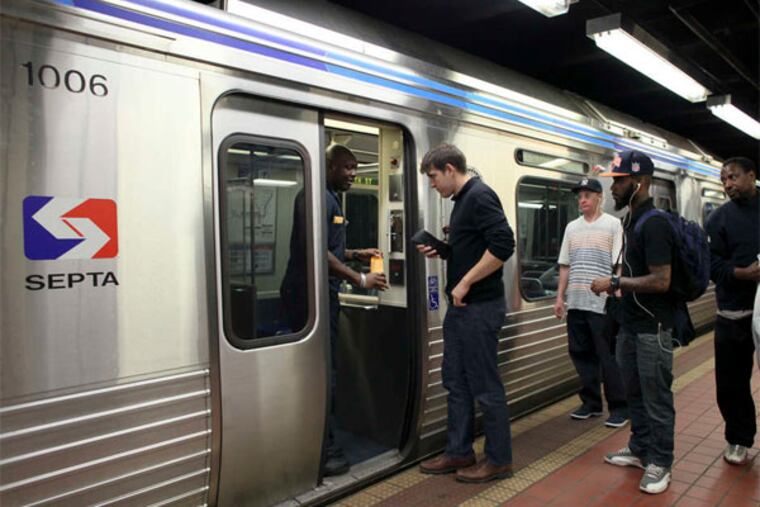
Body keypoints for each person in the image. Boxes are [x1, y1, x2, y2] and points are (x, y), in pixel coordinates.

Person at [280, 144, 388, 476]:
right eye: (347, 168)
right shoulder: (315, 197)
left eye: (356, 167)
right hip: (308, 297)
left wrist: (355, 253)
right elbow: (317, 251)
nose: (353, 174)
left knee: (329, 369)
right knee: (323, 371)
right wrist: (361, 278)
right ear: (328, 166)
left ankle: (323, 439)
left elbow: (331, 248)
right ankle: (323, 448)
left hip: (319, 293)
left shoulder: (328, 198)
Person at [416, 144, 515, 483]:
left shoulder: (479, 196)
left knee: (485, 386)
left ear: (448, 169)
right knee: (455, 381)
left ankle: (498, 459)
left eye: (432, 177)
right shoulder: (462, 203)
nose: (432, 184)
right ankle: (459, 450)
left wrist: (465, 283)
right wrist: (446, 251)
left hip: (480, 308)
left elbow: (504, 245)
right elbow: (476, 248)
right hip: (462, 310)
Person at [591, 150, 675, 495]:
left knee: (656, 397)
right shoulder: (631, 220)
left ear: (639, 182)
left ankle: (661, 461)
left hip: (653, 327)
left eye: (620, 181)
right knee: (634, 391)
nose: (613, 189)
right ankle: (640, 447)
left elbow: (661, 280)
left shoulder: (654, 223)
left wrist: (615, 283)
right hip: (630, 324)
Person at [554, 177, 628, 427]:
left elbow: (618, 264)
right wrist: (559, 297)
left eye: (587, 195)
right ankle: (591, 403)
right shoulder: (571, 228)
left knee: (607, 356)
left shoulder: (613, 225)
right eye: (579, 196)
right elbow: (565, 265)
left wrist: (617, 291)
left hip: (602, 303)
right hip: (576, 302)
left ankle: (620, 407)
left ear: (599, 197)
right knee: (581, 353)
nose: (582, 200)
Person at [705, 157, 760, 466]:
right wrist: (741, 273)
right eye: (724, 179)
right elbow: (711, 264)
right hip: (733, 311)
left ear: (752, 176)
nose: (728, 184)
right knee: (730, 382)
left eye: (734, 177)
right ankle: (738, 438)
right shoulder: (718, 219)